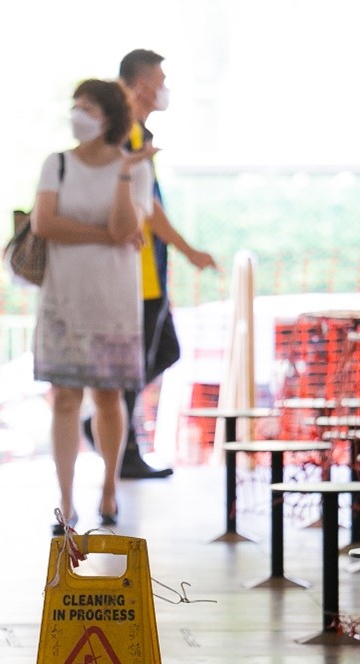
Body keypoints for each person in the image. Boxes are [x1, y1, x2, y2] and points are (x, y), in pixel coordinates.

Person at [31, 79, 155, 529]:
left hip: (113, 301)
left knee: (108, 396)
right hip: (62, 299)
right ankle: (66, 500)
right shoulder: (58, 164)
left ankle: (109, 489)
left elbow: (128, 226)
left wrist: (123, 173)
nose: (78, 114)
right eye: (75, 106)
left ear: (109, 116)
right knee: (64, 398)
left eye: (88, 107)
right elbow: (45, 223)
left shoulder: (135, 167)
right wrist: (105, 236)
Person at [93, 49, 218, 479]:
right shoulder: (123, 133)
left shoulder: (136, 132)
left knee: (164, 351)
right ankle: (120, 448)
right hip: (133, 271)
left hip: (148, 269)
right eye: (160, 79)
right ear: (142, 84)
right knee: (133, 365)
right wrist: (188, 249)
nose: (164, 89)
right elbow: (146, 209)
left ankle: (105, 427)